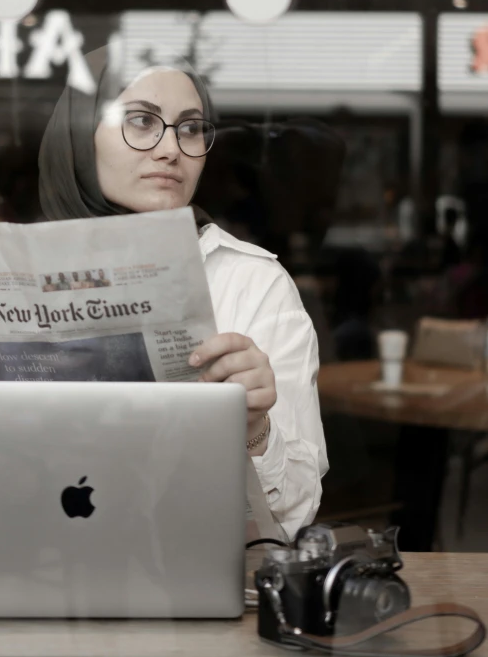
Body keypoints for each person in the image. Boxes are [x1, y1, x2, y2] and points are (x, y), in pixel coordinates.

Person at [38, 47, 328, 540]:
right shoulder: (14, 272)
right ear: (79, 137)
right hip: (23, 569)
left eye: (190, 128)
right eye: (141, 121)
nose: (171, 149)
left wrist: (254, 429)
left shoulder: (250, 282)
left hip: (187, 575)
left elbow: (295, 516)